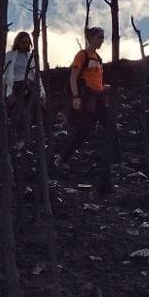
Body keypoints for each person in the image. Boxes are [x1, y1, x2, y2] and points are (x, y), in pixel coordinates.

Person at [54, 26, 118, 194]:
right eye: (99, 37)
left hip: (99, 98)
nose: (101, 40)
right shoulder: (82, 55)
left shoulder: (98, 58)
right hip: (88, 98)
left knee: (111, 126)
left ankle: (115, 161)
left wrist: (105, 88)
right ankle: (63, 159)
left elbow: (97, 80)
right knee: (83, 131)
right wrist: (76, 97)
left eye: (103, 37)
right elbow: (74, 76)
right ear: (91, 38)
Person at [3, 31, 44, 140]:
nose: (24, 44)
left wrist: (42, 91)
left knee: (28, 110)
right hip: (15, 85)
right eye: (22, 42)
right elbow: (5, 74)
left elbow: (37, 74)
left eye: (27, 42)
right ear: (18, 42)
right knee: (17, 110)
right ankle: (15, 136)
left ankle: (26, 136)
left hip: (28, 85)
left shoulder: (31, 57)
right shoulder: (10, 55)